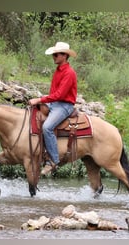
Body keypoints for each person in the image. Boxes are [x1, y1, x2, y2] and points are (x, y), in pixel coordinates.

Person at [28, 42, 77, 175]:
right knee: (32, 112)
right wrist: (42, 101)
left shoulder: (69, 73)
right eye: (53, 54)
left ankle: (53, 160)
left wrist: (39, 99)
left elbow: (60, 95)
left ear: (65, 55)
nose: (53, 57)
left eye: (56, 54)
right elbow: (53, 93)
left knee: (47, 127)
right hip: (55, 102)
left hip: (64, 105)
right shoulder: (58, 70)